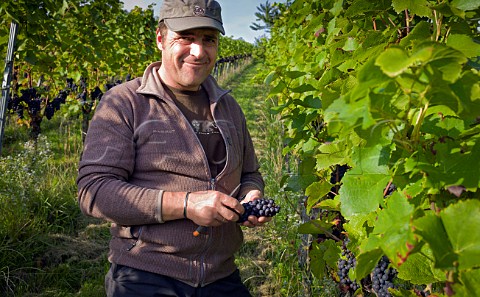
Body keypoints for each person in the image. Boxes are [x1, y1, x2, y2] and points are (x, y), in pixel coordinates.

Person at [76, 0, 270, 296]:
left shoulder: (229, 106)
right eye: (185, 37)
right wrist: (186, 204)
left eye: (209, 40)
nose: (198, 51)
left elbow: (250, 173)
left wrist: (251, 194)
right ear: (160, 39)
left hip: (221, 274)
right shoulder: (125, 103)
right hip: (147, 272)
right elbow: (94, 191)